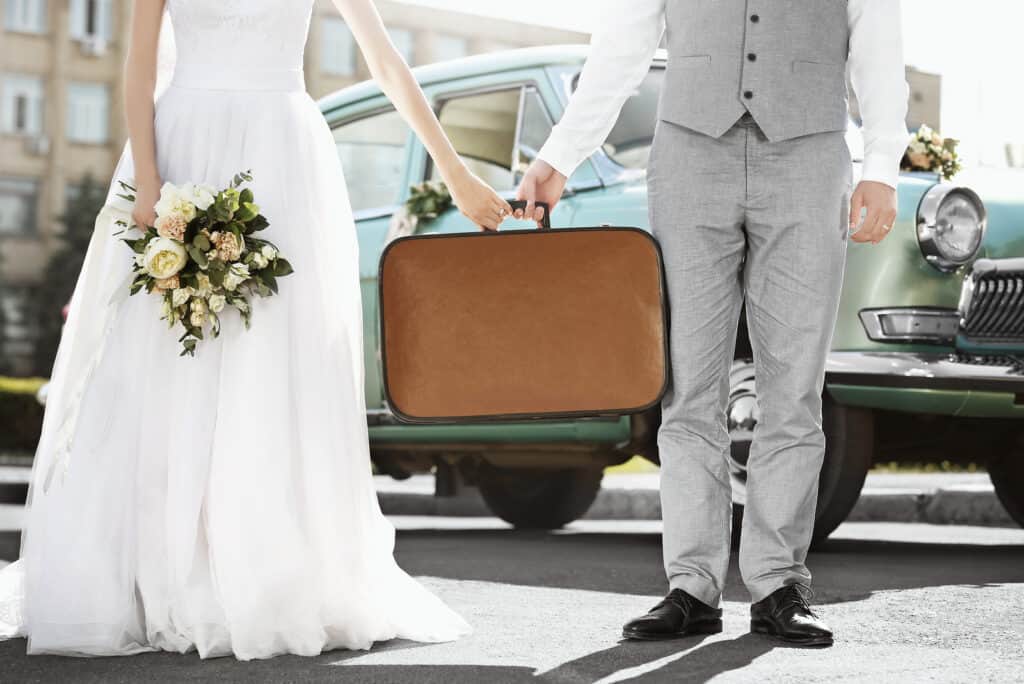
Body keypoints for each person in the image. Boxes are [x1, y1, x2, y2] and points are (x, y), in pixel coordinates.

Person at [0, 0, 511, 660]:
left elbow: (384, 59)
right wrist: (151, 182)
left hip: (281, 159)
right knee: (166, 361)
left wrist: (455, 170)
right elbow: (138, 69)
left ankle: (259, 565)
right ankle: (158, 572)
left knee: (269, 359)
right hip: (183, 145)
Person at [516, 0, 908, 647]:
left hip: (810, 160)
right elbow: (622, 44)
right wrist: (560, 156)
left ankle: (778, 583)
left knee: (793, 388)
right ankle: (692, 587)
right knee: (689, 386)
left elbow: (878, 43)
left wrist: (883, 167)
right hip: (690, 159)